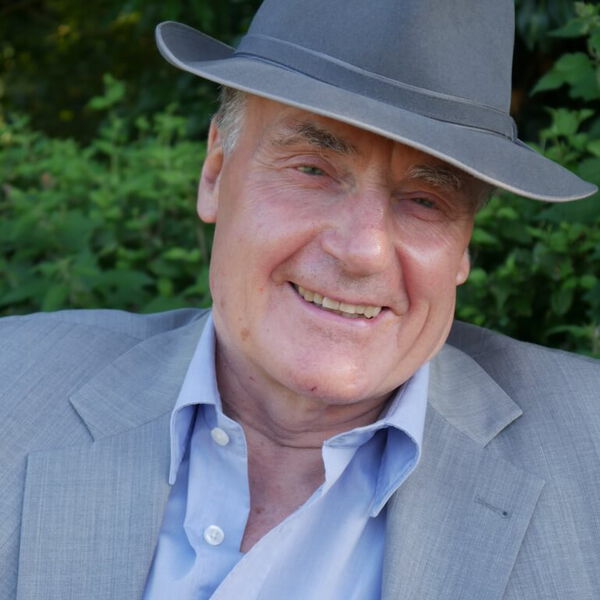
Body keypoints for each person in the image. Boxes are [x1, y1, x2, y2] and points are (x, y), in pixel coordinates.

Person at [1, 0, 599, 598]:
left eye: (425, 200)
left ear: (462, 247)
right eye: (313, 169)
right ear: (215, 172)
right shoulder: (14, 390)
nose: (362, 250)